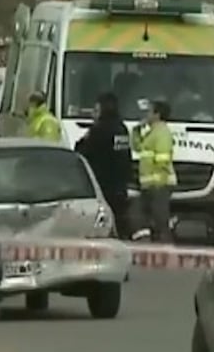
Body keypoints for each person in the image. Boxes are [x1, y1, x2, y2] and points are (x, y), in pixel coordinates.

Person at [76, 92, 132, 238]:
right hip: (120, 185)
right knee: (120, 221)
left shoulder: (99, 130)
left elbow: (82, 151)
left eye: (96, 109)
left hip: (102, 184)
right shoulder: (122, 129)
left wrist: (84, 139)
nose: (93, 113)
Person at [130, 100, 177, 243]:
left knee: (160, 220)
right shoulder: (152, 132)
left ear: (157, 115)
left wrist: (159, 181)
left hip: (159, 184)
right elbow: (138, 147)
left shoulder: (161, 132)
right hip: (150, 185)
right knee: (150, 219)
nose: (146, 115)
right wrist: (136, 131)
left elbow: (163, 158)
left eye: (149, 112)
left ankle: (165, 247)